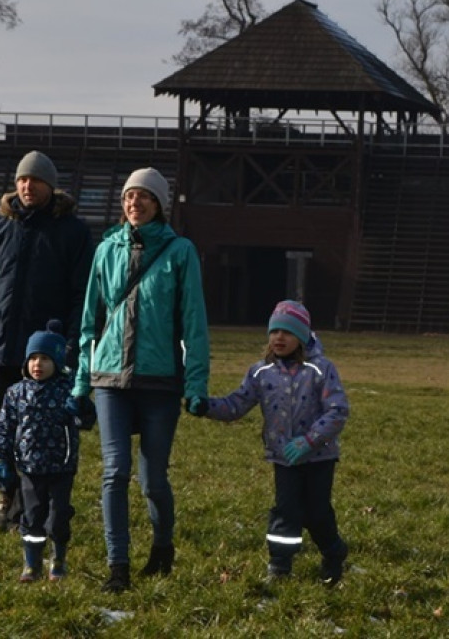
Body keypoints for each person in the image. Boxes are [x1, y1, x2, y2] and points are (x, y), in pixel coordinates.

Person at [72, 167, 211, 594]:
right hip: (109, 380)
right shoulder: (105, 250)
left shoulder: (181, 252)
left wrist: (196, 386)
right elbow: (89, 323)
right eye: (129, 196)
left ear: (159, 204)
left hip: (160, 382)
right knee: (114, 473)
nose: (135, 203)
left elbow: (194, 324)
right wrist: (80, 385)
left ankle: (163, 548)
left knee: (152, 480)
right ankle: (119, 567)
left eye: (144, 197)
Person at [0, 150, 94, 531]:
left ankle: (26, 507)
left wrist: (69, 344)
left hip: (43, 356)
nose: (26, 186)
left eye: (34, 180)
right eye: (21, 179)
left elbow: (81, 296)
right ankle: (8, 495)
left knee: (35, 433)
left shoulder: (73, 232)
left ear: (51, 185)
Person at [205, 300, 350, 585]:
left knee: (317, 512)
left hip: (319, 458)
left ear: (303, 337)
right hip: (284, 458)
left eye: (287, 332)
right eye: (274, 332)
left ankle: (333, 552)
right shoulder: (261, 372)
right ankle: (279, 564)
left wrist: (309, 441)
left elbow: (338, 411)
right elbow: (236, 404)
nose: (279, 338)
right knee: (286, 510)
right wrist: (205, 406)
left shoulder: (320, 369)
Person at [0, 320, 96, 582]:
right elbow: (4, 427)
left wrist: (81, 409)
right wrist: (0, 458)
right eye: (33, 358)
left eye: (45, 359)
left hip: (61, 467)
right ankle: (31, 563)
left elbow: (88, 422)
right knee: (32, 517)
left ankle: (58, 558)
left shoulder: (68, 390)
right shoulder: (16, 393)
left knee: (58, 518)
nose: (38, 364)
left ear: (58, 363)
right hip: (28, 467)